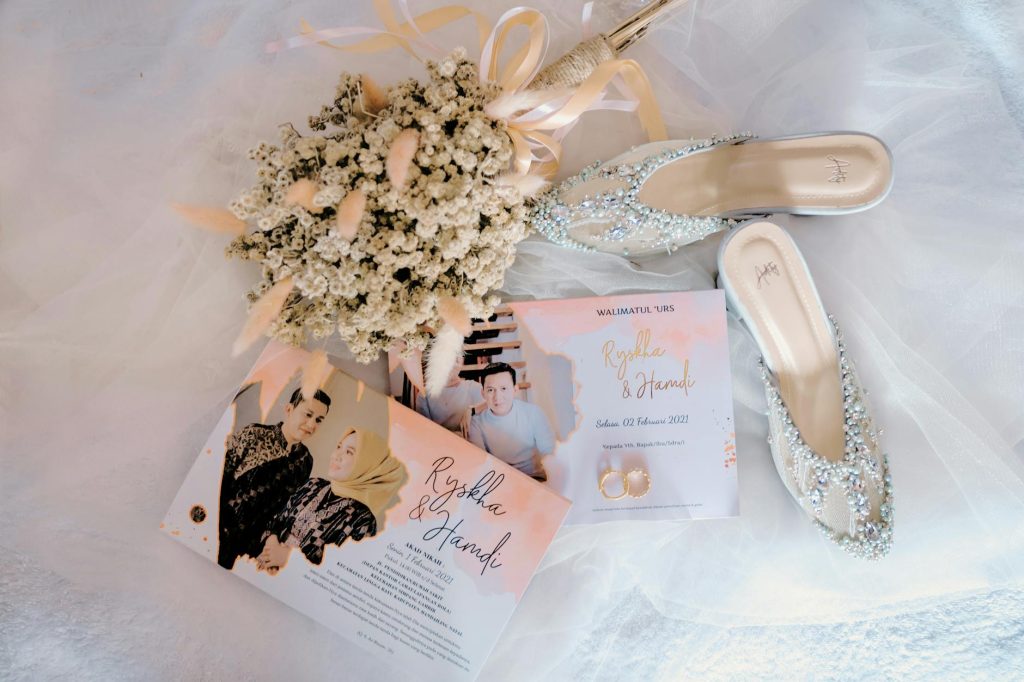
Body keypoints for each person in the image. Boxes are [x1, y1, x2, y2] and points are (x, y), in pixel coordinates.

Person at [255, 427, 405, 571]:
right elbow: (275, 519)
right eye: (338, 446)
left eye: (349, 452)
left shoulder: (363, 521)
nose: (336, 455)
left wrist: (287, 559)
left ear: (366, 465)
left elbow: (338, 571)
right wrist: (271, 542)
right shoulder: (313, 484)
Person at [217, 387, 331, 569]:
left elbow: (283, 510)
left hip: (250, 550)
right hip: (216, 530)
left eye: (318, 420)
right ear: (289, 409)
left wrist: (271, 541)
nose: (311, 424)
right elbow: (217, 477)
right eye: (307, 415)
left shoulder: (305, 461)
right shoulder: (253, 435)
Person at [467, 362, 553, 481]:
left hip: (535, 479)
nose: (497, 397)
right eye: (491, 390)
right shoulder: (476, 423)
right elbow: (480, 461)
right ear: (483, 393)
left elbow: (549, 451)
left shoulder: (533, 413)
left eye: (503, 388)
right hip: (499, 482)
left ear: (515, 390)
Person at [416, 352, 483, 432]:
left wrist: (472, 410)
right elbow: (425, 432)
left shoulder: (474, 388)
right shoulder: (424, 395)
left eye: (457, 357)